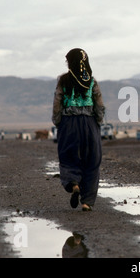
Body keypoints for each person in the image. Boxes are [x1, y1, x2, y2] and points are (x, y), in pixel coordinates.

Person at [52, 48, 105, 211]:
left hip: (69, 124)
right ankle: (87, 201)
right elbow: (99, 104)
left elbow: (57, 102)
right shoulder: (92, 81)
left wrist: (58, 121)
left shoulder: (63, 80)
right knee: (92, 160)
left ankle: (74, 183)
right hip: (89, 124)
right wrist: (98, 121)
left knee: (68, 157)